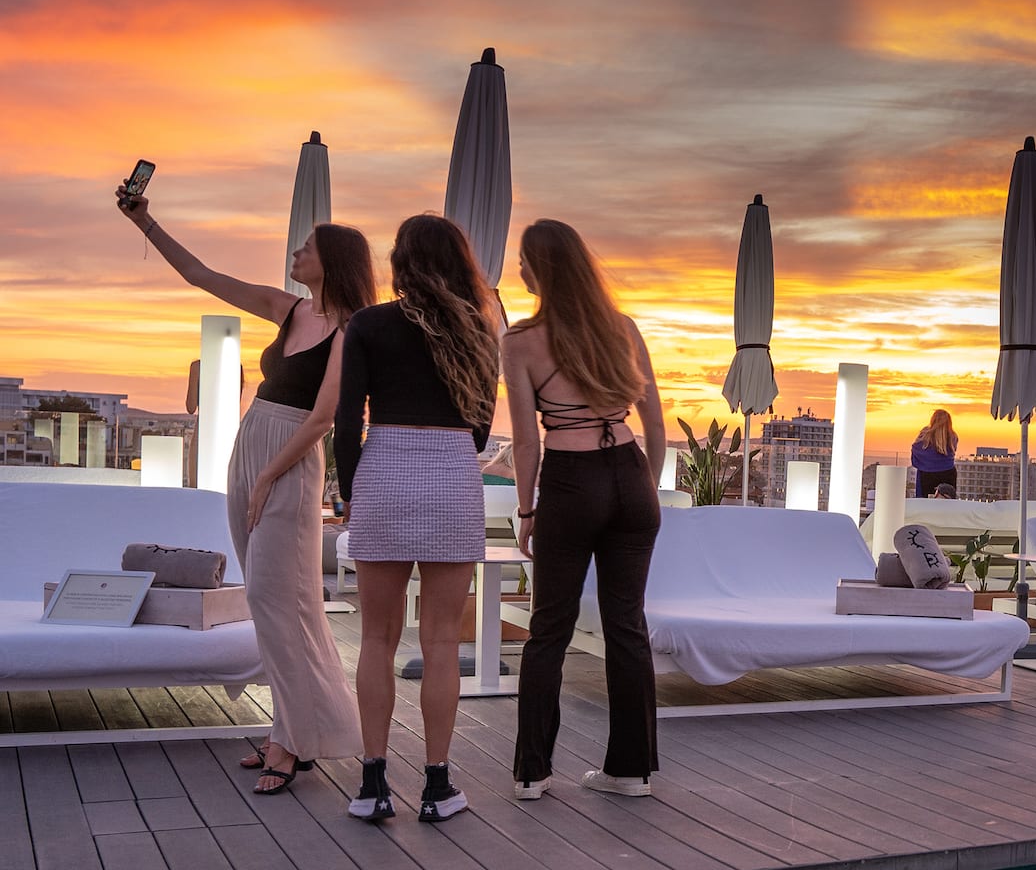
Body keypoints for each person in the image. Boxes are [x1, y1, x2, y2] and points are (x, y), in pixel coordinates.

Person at [117, 186, 367, 794]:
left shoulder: (353, 329)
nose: (296, 254)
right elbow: (201, 275)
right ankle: (291, 732)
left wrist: (268, 473)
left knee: (284, 602)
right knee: (269, 600)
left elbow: (325, 418)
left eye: (306, 248)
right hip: (252, 442)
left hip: (288, 456)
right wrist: (145, 222)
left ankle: (296, 741)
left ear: (332, 261)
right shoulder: (288, 310)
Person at [335, 214, 502, 822]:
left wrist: (352, 491)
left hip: (383, 467)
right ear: (460, 262)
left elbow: (347, 418)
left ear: (400, 261)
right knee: (438, 642)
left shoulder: (369, 324)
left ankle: (372, 785)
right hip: (452, 475)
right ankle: (437, 786)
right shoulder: (481, 330)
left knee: (377, 639)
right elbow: (481, 427)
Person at [502, 220, 668, 801]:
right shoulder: (620, 329)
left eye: (522, 260)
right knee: (627, 627)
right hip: (628, 475)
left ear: (542, 269)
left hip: (571, 483)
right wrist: (640, 489)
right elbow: (654, 427)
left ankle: (532, 772)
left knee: (549, 628)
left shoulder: (521, 341)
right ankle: (631, 772)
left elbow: (526, 443)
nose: (517, 269)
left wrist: (526, 511)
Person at [911, 410, 958, 499]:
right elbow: (952, 452)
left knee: (926, 505)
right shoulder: (953, 436)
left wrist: (925, 462)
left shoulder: (925, 434)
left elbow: (915, 448)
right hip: (948, 473)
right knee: (947, 505)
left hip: (926, 474)